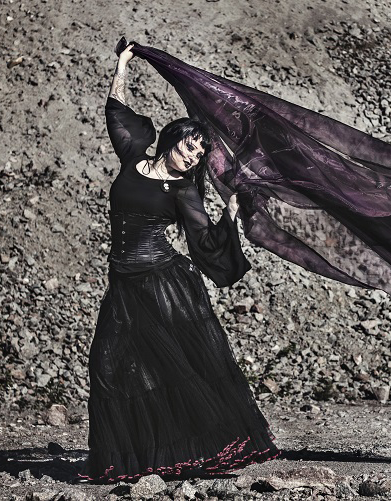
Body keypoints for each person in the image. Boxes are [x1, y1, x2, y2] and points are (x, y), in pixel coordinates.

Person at [77, 43, 281, 483]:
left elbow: (204, 240)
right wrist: (123, 64)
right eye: (190, 147)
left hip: (161, 282)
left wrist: (229, 214)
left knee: (176, 370)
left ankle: (199, 449)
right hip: (124, 283)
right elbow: (117, 111)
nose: (192, 157)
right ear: (173, 138)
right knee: (107, 367)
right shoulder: (134, 157)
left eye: (198, 155)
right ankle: (127, 457)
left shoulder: (185, 191)